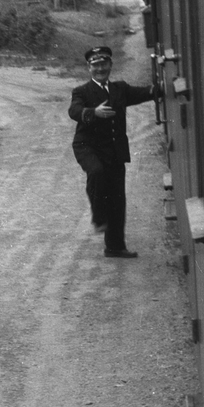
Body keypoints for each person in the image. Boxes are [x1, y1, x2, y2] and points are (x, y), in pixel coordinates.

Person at [68, 46, 159, 258]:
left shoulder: (120, 89)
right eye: (95, 65)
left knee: (117, 199)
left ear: (110, 65)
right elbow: (74, 110)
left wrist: (162, 89)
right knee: (96, 172)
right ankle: (99, 217)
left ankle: (115, 247)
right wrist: (93, 112)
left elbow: (144, 93)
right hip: (87, 147)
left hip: (114, 150)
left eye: (104, 64)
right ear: (89, 68)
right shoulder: (81, 91)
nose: (100, 69)